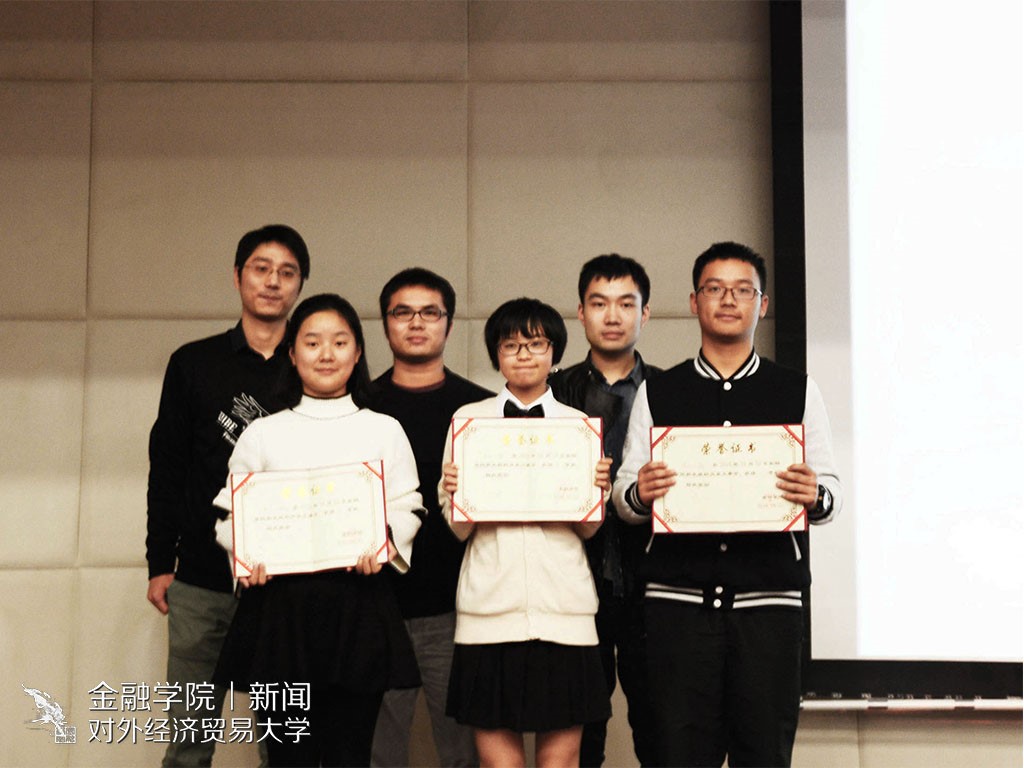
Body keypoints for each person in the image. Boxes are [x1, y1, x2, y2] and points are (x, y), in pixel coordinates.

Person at [612, 242, 842, 767]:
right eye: (715, 289)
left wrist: (816, 494)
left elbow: (830, 492)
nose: (729, 299)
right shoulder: (660, 390)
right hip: (677, 608)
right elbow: (625, 497)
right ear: (694, 302)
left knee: (764, 754)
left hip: (770, 607)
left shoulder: (797, 390)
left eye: (743, 290)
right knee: (678, 755)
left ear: (762, 304)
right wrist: (640, 493)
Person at [211, 293, 424, 767]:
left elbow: (408, 505)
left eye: (339, 342)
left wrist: (382, 545)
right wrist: (247, 559)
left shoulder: (384, 429)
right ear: (292, 353)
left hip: (359, 607)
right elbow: (231, 514)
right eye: (312, 342)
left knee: (351, 756)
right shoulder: (262, 432)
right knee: (288, 758)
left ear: (358, 351)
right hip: (280, 614)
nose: (326, 354)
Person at [145, 223, 310, 767]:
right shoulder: (193, 362)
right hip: (200, 576)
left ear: (300, 286)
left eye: (287, 273)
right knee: (188, 744)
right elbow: (168, 465)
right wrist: (159, 562)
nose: (273, 282)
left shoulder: (315, 364)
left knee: (285, 747)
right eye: (261, 269)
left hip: (287, 583)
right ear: (238, 276)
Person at [440, 298, 613, 768]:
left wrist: (597, 491)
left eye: (535, 344)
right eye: (510, 345)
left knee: (562, 761)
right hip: (488, 612)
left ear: (554, 353)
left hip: (566, 613)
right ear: (496, 354)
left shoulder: (578, 428)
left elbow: (589, 527)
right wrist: (455, 491)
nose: (523, 354)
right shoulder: (468, 422)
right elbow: (458, 528)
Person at [369, 268, 489, 767]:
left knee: (463, 752)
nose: (416, 323)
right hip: (375, 605)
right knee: (378, 753)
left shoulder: (481, 412)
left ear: (449, 323)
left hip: (457, 606)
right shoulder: (359, 406)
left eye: (430, 312)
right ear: (385, 323)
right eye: (403, 312)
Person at [548, 254, 659, 767]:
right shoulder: (551, 393)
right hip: (572, 583)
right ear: (580, 312)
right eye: (599, 303)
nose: (612, 316)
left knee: (661, 730)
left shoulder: (672, 391)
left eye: (626, 304)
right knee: (578, 734)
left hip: (654, 584)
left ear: (645, 313)